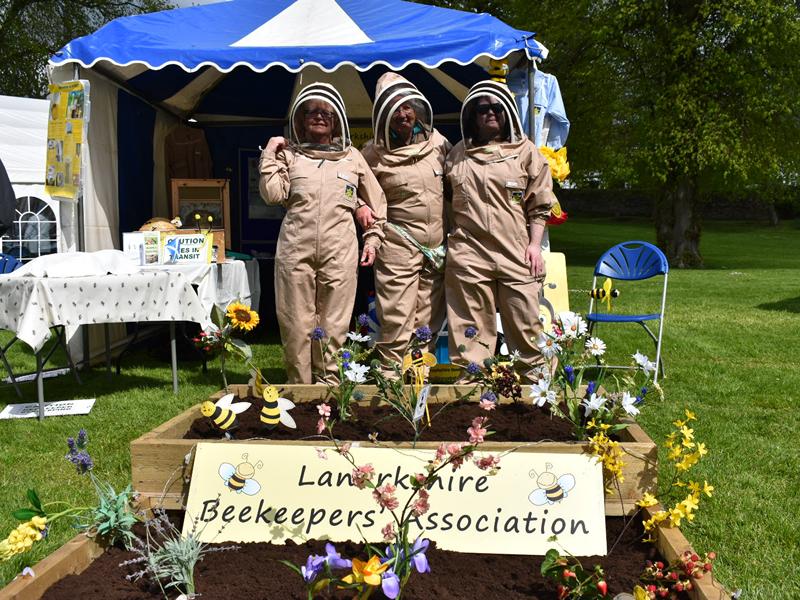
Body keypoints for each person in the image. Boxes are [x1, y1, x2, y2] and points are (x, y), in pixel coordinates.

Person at [259, 83, 386, 383]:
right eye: (312, 112)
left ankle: (330, 386)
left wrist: (373, 238)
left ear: (337, 119)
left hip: (339, 250)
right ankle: (300, 388)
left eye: (326, 113)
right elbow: (273, 194)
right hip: (295, 250)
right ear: (301, 120)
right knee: (295, 322)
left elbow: (377, 201)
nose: (319, 117)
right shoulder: (290, 155)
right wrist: (270, 154)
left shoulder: (352, 157)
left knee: (335, 322)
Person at [444, 79, 556, 380]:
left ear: (507, 113)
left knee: (526, 324)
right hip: (469, 254)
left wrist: (534, 245)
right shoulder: (456, 155)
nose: (490, 113)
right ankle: (473, 391)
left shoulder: (527, 153)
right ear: (471, 116)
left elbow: (540, 203)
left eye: (496, 108)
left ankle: (536, 390)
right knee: (470, 331)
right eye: (482, 109)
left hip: (516, 251)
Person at [360, 73, 451, 372]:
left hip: (435, 245)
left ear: (417, 107)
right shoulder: (372, 153)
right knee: (397, 313)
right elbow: (353, 189)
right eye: (395, 109)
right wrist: (361, 206)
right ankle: (390, 376)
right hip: (398, 245)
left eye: (407, 106)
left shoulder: (438, 143)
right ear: (383, 114)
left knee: (428, 317)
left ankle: (417, 376)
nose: (403, 114)